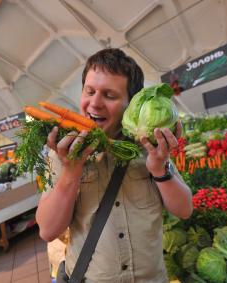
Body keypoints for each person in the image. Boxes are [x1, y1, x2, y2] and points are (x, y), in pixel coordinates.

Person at [36, 48, 193, 283]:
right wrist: (71, 172)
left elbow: (184, 209)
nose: (95, 103)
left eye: (109, 95)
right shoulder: (63, 151)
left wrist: (160, 170)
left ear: (131, 104)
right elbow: (48, 230)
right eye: (89, 91)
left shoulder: (147, 149)